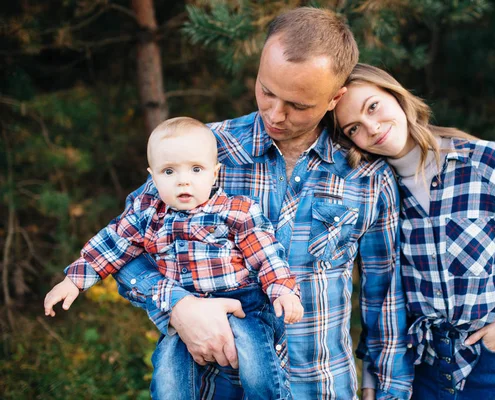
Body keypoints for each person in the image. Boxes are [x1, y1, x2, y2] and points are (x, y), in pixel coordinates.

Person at [113, 8, 413, 400]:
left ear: (334, 98)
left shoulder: (367, 177)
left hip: (320, 387)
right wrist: (178, 307)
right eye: (267, 91)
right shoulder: (202, 151)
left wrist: (390, 390)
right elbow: (122, 247)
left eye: (298, 105)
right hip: (214, 387)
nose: (275, 114)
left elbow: (385, 300)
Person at [333, 63, 495, 399]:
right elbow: (380, 291)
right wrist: (372, 373)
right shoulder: (375, 195)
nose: (372, 127)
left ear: (396, 95)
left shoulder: (486, 162)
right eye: (353, 128)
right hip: (423, 368)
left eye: (373, 107)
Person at [43, 117, 304, 400]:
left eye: (196, 169)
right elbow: (112, 243)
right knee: (168, 374)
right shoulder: (147, 215)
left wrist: (283, 290)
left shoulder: (236, 211)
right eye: (168, 171)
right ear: (153, 177)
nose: (183, 180)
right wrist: (73, 281)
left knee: (258, 370)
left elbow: (266, 255)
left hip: (244, 304)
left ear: (214, 173)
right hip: (182, 311)